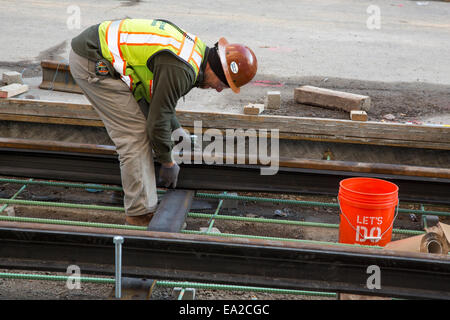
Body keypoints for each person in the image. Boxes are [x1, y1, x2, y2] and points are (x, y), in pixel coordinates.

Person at [69, 18, 257, 226]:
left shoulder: (195, 53)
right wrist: (167, 162)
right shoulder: (181, 69)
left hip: (101, 50)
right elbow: (156, 122)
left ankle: (135, 188)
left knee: (143, 127)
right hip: (92, 60)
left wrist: (177, 133)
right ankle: (139, 214)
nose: (220, 89)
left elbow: (158, 101)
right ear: (217, 69)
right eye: (223, 83)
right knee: (134, 135)